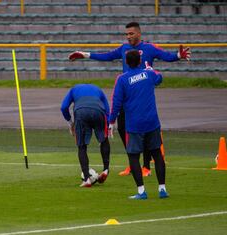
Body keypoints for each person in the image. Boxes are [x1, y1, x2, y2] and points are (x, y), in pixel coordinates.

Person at [68, 21, 191, 177]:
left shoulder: (149, 48)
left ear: (139, 33)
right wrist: (85, 55)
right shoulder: (124, 48)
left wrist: (179, 56)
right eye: (126, 34)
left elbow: (166, 56)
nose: (128, 37)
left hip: (142, 97)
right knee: (123, 129)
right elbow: (107, 56)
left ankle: (146, 166)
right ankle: (133, 164)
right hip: (127, 97)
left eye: (131, 33)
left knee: (143, 130)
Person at [109, 49, 168, 199]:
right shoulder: (148, 74)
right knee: (157, 154)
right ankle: (162, 189)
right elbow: (159, 79)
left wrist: (111, 121)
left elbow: (116, 102)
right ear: (140, 61)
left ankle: (141, 191)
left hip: (135, 124)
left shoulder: (122, 79)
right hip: (152, 122)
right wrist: (152, 69)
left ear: (126, 62)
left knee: (134, 156)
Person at [61, 84, 111, 187]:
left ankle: (87, 179)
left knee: (82, 146)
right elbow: (107, 109)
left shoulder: (73, 89)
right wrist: (109, 124)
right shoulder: (98, 89)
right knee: (104, 139)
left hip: (81, 111)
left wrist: (71, 123)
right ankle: (106, 170)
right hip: (98, 111)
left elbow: (64, 107)